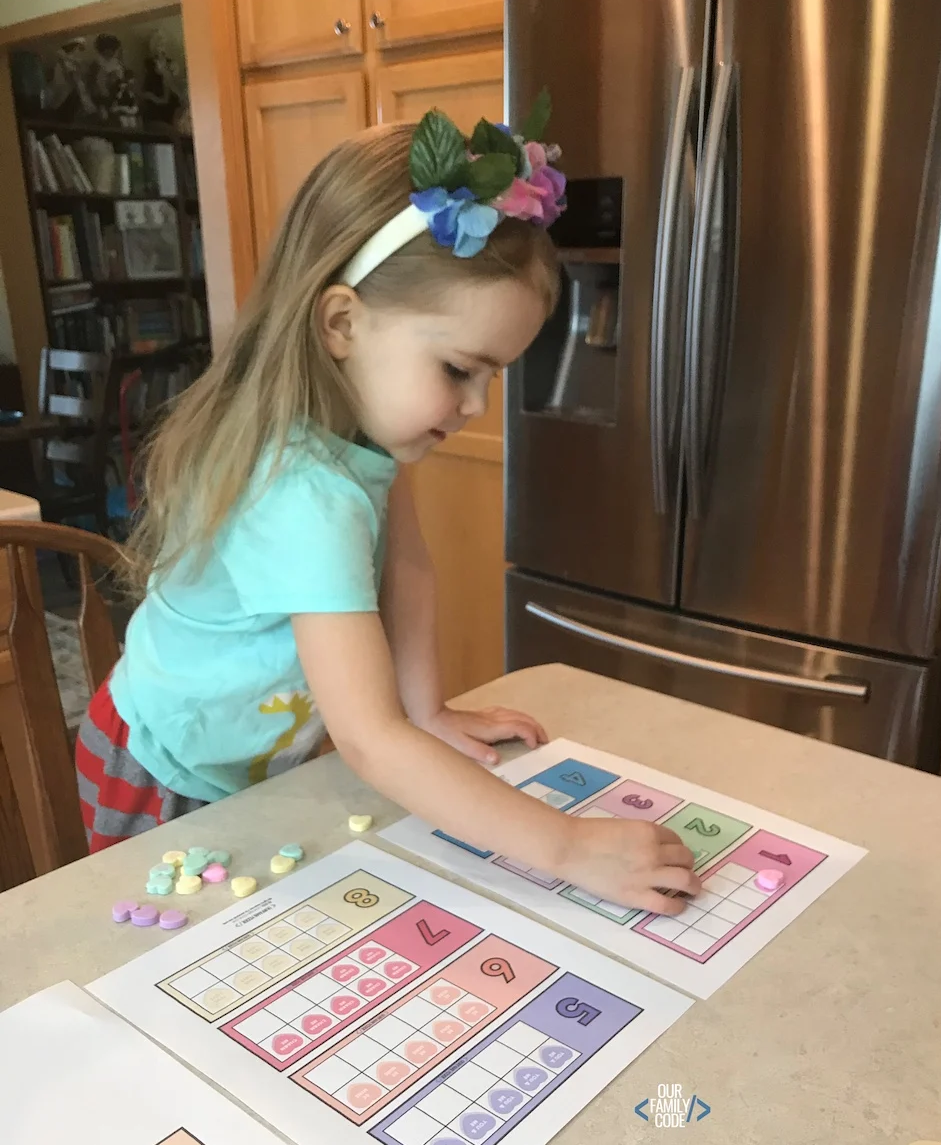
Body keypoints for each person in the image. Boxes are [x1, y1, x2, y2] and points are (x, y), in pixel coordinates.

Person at [76, 103, 698, 917]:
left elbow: (406, 568)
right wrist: (568, 846)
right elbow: (368, 739)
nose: (475, 405)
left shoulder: (359, 439)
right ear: (341, 323)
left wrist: (427, 710)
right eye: (458, 367)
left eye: (493, 377)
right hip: (163, 767)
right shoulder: (299, 491)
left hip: (251, 759)